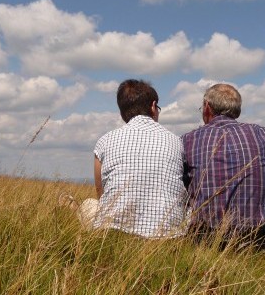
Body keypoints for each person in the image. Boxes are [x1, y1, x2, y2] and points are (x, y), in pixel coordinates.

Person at [81, 79, 189, 239]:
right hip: (168, 237)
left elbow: (100, 191)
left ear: (122, 112)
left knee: (88, 205)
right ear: (153, 107)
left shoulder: (105, 141)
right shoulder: (176, 141)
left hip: (114, 234)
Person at [182, 83, 265, 250]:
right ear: (238, 110)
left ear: (207, 107)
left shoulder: (188, 139)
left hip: (206, 238)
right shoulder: (260, 133)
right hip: (257, 236)